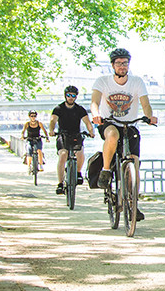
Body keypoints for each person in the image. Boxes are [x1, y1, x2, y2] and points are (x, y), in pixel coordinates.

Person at [91, 48, 157, 219]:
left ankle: (134, 203)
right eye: (119, 63)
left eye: (125, 63)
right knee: (112, 135)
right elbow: (94, 102)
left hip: (130, 125)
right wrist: (96, 114)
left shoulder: (137, 82)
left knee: (134, 163)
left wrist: (149, 116)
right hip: (109, 123)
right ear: (112, 65)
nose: (122, 66)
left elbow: (145, 104)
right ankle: (106, 170)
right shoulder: (102, 81)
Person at [49, 85, 97, 195]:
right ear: (65, 96)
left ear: (76, 97)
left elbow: (87, 122)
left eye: (73, 96)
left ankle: (78, 172)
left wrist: (91, 131)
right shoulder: (59, 108)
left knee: (80, 154)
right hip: (63, 134)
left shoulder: (80, 109)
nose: (71, 98)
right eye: (69, 95)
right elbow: (53, 121)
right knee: (63, 155)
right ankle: (60, 183)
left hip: (76, 134)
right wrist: (51, 130)